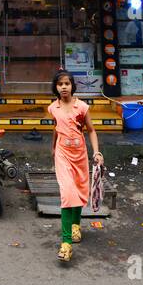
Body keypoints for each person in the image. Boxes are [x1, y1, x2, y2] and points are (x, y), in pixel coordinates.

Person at [47, 70, 103, 264]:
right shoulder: (52, 108)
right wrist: (53, 148)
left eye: (67, 83)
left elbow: (92, 130)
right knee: (67, 193)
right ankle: (66, 243)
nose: (64, 87)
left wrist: (96, 152)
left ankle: (76, 225)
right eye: (60, 84)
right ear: (55, 87)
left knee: (80, 190)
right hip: (62, 155)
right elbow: (56, 128)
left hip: (79, 155)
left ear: (72, 86)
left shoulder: (82, 107)